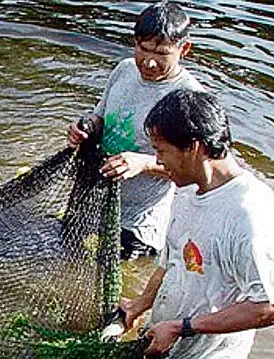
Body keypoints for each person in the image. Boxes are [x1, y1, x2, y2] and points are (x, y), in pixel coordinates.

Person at [120, 89, 274, 359]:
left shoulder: (249, 217)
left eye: (161, 151)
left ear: (193, 147)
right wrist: (142, 303)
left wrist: (182, 327)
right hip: (164, 348)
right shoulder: (188, 190)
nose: (157, 161)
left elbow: (267, 307)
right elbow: (172, 259)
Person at [67, 1, 203, 260]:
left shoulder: (189, 98)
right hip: (94, 199)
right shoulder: (125, 69)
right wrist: (84, 128)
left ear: (183, 49)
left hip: (136, 223)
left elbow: (192, 170)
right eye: (144, 49)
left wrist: (142, 163)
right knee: (66, 258)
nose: (149, 63)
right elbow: (101, 117)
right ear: (135, 42)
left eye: (161, 54)